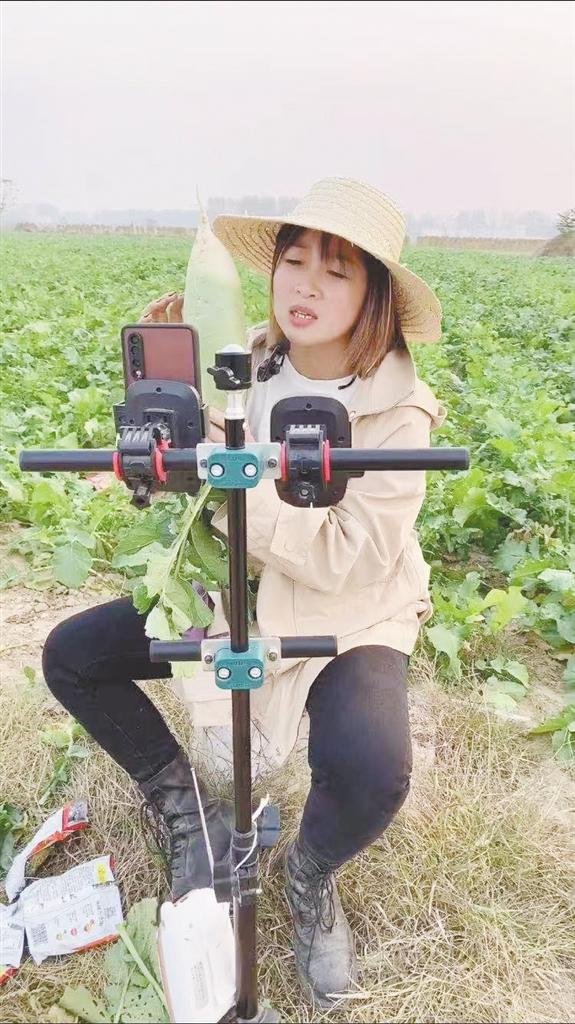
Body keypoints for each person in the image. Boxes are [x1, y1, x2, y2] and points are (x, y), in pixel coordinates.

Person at [42, 177, 447, 1010]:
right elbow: (173, 481)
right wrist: (165, 421)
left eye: (336, 271)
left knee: (372, 765)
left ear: (373, 295)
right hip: (237, 592)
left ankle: (308, 876)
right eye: (293, 261)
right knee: (73, 656)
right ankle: (188, 813)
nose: (306, 285)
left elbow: (343, 561)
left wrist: (232, 482)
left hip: (350, 607)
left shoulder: (398, 411)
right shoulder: (239, 359)